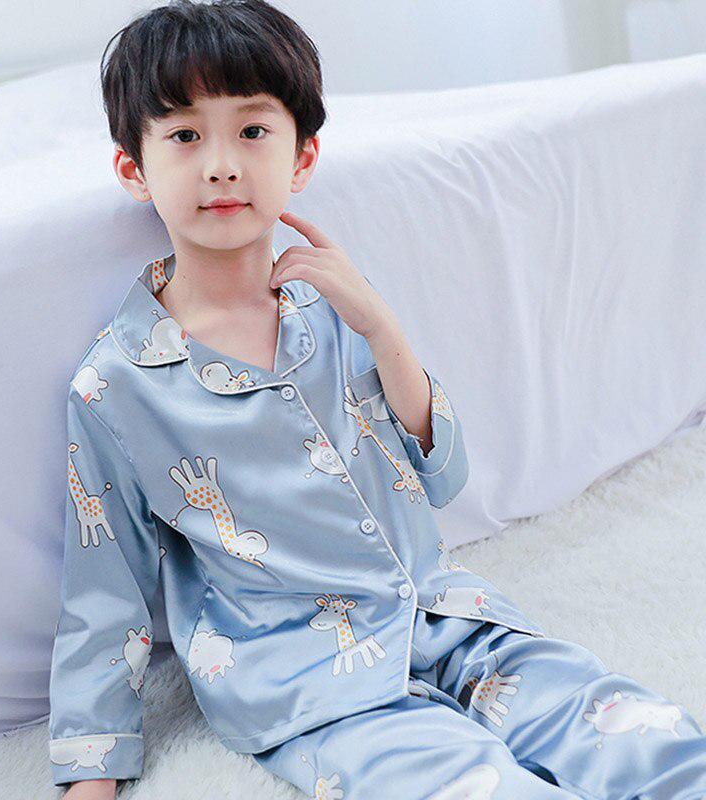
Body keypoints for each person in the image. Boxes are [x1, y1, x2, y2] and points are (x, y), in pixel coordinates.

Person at [47, 1, 706, 798]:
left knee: (654, 745)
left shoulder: (337, 306)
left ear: (302, 158)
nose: (221, 164)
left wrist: (381, 326)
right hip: (311, 680)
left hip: (452, 620)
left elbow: (443, 475)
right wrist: (91, 775)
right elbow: (105, 589)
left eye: (252, 130)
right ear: (133, 168)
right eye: (185, 136)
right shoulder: (115, 385)